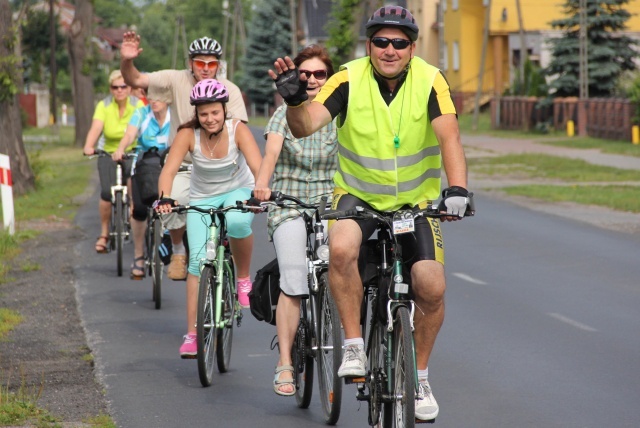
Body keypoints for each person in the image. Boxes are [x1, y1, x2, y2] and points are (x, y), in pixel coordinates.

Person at [267, 5, 473, 421]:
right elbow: (306, 125)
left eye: (399, 43)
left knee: (430, 285)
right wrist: (293, 101)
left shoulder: (432, 80)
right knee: (340, 250)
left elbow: (449, 135)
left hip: (415, 202)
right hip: (356, 195)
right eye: (381, 41)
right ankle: (354, 346)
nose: (390, 49)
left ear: (412, 48)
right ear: (369, 45)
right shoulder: (347, 77)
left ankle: (421, 376)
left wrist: (457, 189)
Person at [120, 33, 249, 285]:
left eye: (211, 64)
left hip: (221, 167)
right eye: (200, 63)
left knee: (235, 214)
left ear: (219, 65)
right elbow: (134, 78)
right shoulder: (175, 79)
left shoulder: (229, 90)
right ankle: (178, 248)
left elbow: (239, 134)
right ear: (190, 63)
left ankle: (233, 262)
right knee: (173, 199)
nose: (206, 69)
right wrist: (126, 60)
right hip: (185, 164)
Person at [154, 79, 262, 358]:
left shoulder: (238, 129)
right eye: (204, 114)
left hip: (237, 190)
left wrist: (260, 193)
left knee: (238, 222)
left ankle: (243, 279)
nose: (210, 119)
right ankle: (192, 334)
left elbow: (257, 165)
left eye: (215, 112)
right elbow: (169, 171)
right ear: (196, 115)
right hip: (202, 196)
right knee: (195, 263)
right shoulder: (188, 134)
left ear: (224, 109)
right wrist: (165, 197)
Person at [253, 45, 338, 396]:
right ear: (295, 78)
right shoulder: (281, 116)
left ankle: (353, 346)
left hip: (331, 204)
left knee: (343, 267)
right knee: (292, 274)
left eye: (320, 74)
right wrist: (261, 185)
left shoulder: (339, 114)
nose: (313, 80)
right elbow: (271, 154)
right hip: (287, 202)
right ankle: (285, 362)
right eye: (306, 74)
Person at [83, 70, 145, 254]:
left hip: (132, 151)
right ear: (110, 89)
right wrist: (89, 146)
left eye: (123, 86)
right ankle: (104, 233)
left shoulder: (138, 104)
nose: (119, 90)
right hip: (107, 151)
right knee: (105, 192)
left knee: (134, 189)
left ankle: (135, 224)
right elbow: (96, 127)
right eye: (115, 87)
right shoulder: (104, 105)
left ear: (129, 88)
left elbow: (143, 125)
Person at [112, 98, 170, 279]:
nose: (154, 100)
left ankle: (176, 250)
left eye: (158, 96)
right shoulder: (141, 113)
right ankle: (139, 255)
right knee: (138, 210)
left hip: (169, 165)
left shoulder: (175, 115)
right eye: (150, 95)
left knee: (178, 205)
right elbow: (129, 135)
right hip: (144, 165)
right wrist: (121, 148)